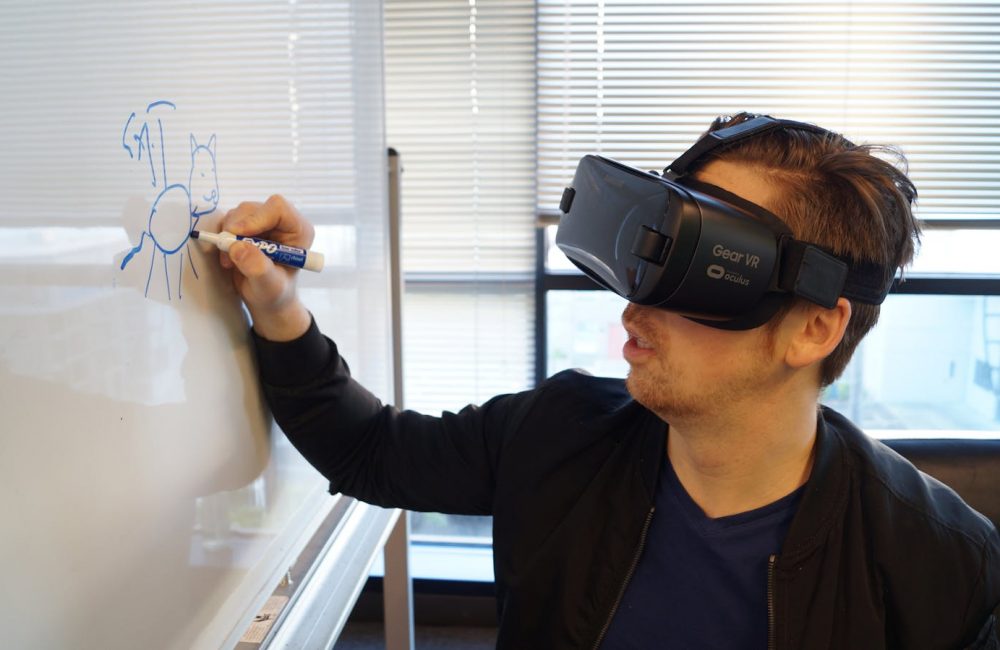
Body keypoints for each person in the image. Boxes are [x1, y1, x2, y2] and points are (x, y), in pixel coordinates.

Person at [216, 113, 1000, 649]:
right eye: (655, 256)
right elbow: (369, 452)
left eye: (700, 274)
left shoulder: (941, 568)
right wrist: (278, 305)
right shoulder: (559, 435)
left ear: (815, 329)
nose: (635, 307)